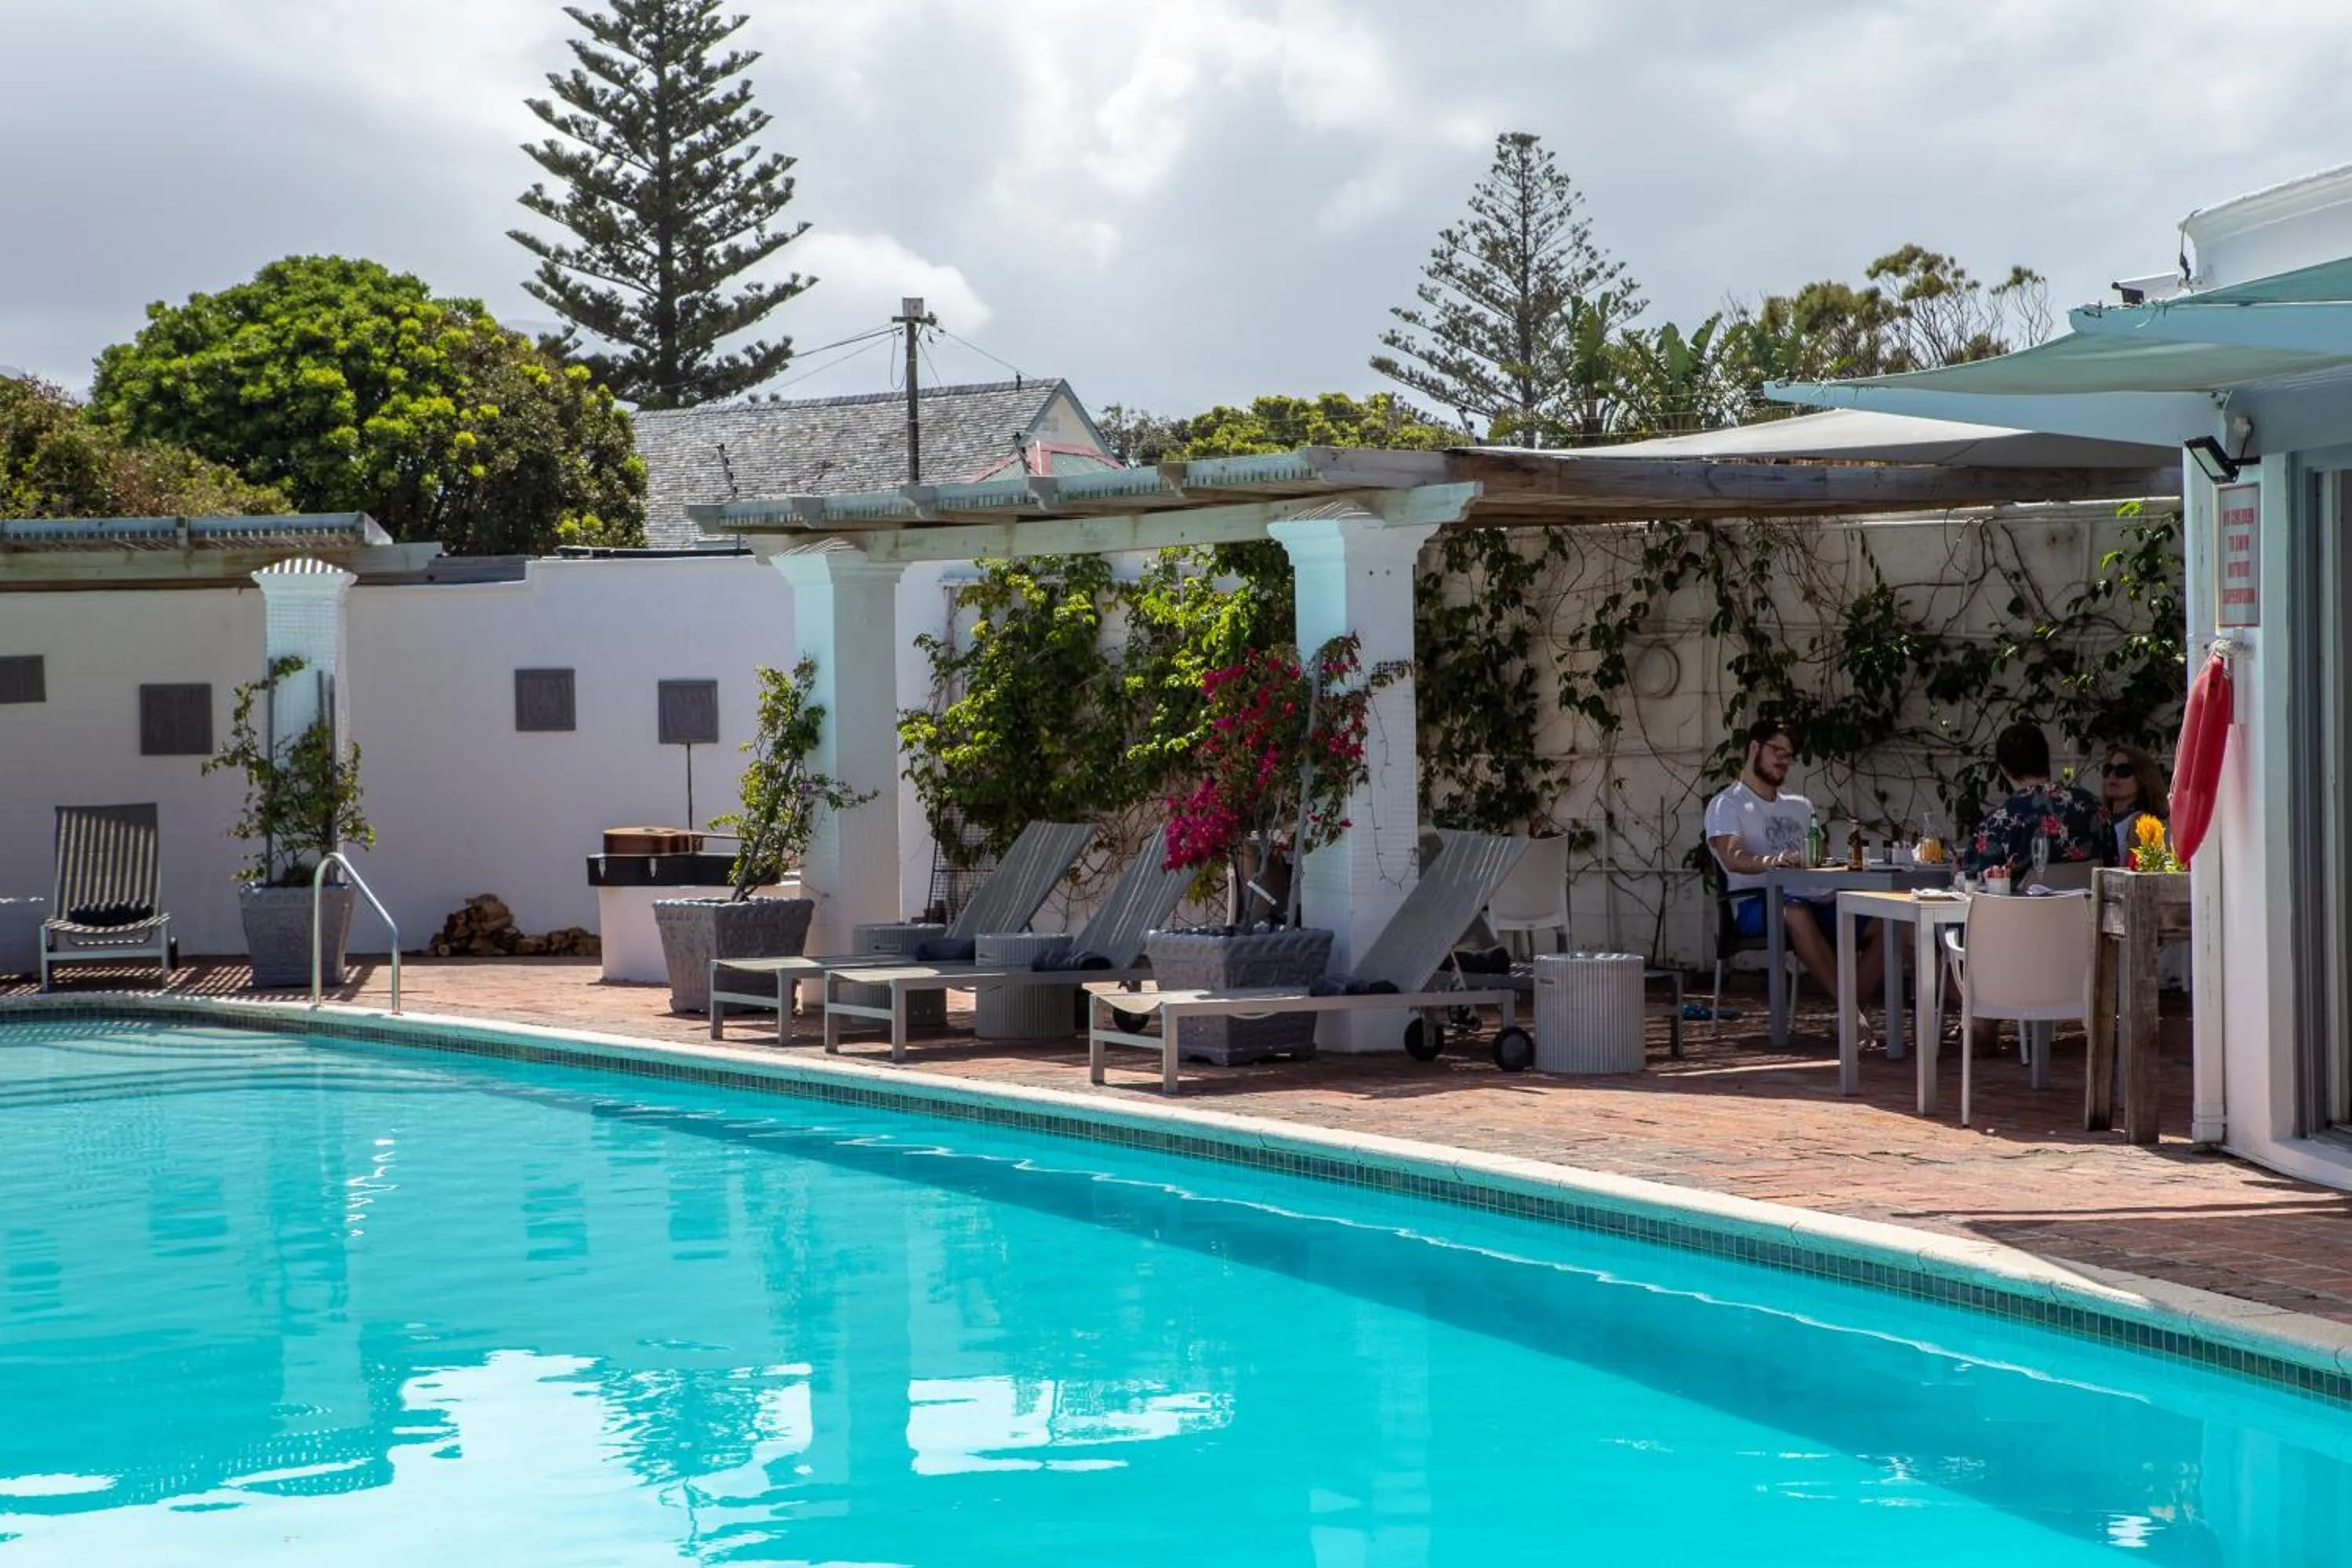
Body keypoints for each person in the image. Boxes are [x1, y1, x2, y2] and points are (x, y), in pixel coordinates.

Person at [1705, 719, 1884, 1008]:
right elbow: (1732, 857)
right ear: (1754, 748)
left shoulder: (1800, 805)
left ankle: (1851, 1015)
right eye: (1778, 751)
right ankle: (1852, 1015)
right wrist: (1774, 861)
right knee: (1795, 911)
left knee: (1893, 920)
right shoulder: (1727, 804)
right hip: (1758, 902)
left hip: (1815, 897)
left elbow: (1821, 860)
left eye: (1789, 756)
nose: (1784, 760)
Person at [1962, 723, 2115, 880]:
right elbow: (2113, 868)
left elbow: (1974, 879)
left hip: (2021, 905)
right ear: (2046, 758)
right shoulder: (2092, 806)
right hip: (2086, 903)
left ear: (2004, 769)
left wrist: (1958, 872)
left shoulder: (1999, 822)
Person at [2100, 744, 2170, 862]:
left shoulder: (2142, 822)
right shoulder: (2100, 819)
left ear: (2142, 779)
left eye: (2123, 771)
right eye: (2108, 770)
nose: (2112, 776)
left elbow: (2138, 875)